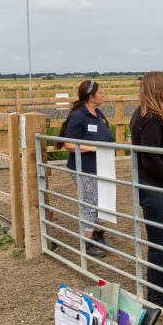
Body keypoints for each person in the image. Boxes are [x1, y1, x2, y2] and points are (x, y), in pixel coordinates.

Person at [129, 72, 163, 311]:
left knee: (159, 241)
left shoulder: (142, 115)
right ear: (159, 90)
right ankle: (157, 297)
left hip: (153, 186)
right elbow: (151, 158)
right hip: (157, 189)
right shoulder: (151, 119)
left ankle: (157, 291)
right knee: (160, 242)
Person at [57, 79, 114, 258]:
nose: (103, 95)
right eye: (100, 93)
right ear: (91, 97)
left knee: (103, 201)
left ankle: (98, 234)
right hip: (84, 167)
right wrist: (92, 148)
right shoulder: (78, 116)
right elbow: (68, 144)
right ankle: (87, 241)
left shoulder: (98, 114)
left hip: (102, 165)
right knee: (90, 201)